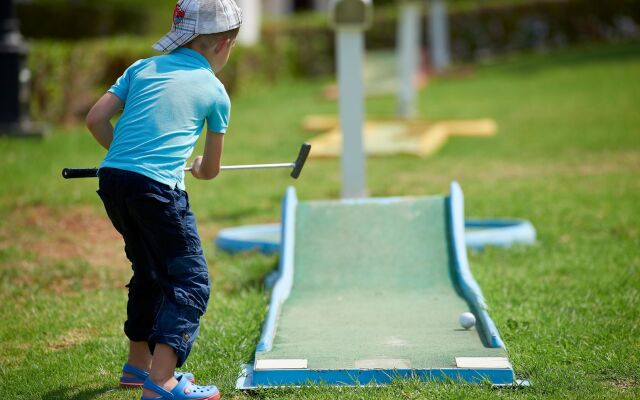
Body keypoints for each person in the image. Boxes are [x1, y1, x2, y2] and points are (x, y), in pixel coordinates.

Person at [84, 1, 242, 399]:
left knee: (149, 271)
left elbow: (95, 120)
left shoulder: (140, 68)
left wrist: (125, 158)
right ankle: (162, 381)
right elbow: (209, 171)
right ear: (224, 44)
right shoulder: (214, 90)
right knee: (190, 280)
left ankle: (137, 366)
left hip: (114, 181)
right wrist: (201, 164)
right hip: (157, 191)